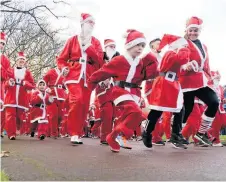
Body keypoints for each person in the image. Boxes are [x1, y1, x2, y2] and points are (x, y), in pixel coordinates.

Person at [88, 29, 158, 152]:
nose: (140, 48)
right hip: (119, 91)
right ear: (130, 45)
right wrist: (90, 84)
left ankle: (113, 136)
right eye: (137, 45)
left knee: (131, 117)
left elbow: (148, 75)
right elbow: (103, 72)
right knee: (135, 111)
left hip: (135, 93)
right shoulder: (119, 60)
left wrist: (153, 61)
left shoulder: (141, 62)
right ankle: (119, 135)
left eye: (142, 46)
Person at [57, 13, 104, 144]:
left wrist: (89, 48)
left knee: (84, 106)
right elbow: (61, 59)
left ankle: (78, 132)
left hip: (88, 76)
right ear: (82, 24)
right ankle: (73, 133)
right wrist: (63, 68)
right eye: (89, 23)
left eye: (93, 24)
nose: (91, 26)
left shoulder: (95, 42)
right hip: (73, 74)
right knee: (76, 100)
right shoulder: (72, 40)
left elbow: (100, 61)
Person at [175, 16, 219, 146]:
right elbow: (176, 60)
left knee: (214, 102)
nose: (193, 33)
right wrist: (184, 66)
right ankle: (176, 135)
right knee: (186, 109)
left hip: (201, 80)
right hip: (186, 80)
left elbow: (207, 64)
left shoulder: (204, 46)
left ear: (199, 31)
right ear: (187, 30)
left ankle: (201, 133)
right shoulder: (182, 43)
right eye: (191, 30)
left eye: (196, 30)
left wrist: (210, 79)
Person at [142, 34, 191, 149]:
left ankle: (175, 135)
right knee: (157, 111)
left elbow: (179, 65)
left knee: (180, 109)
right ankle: (147, 132)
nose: (185, 46)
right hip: (164, 84)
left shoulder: (172, 54)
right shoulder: (170, 53)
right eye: (182, 44)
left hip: (172, 83)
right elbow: (182, 59)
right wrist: (184, 48)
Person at [4, 52, 35, 140]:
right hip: (11, 96)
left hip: (22, 98)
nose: (21, 61)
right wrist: (9, 83)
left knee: (19, 116)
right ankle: (11, 134)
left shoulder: (27, 73)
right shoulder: (10, 70)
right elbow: (4, 83)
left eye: (23, 59)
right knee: (10, 115)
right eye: (20, 59)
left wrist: (26, 83)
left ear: (25, 62)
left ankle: (17, 129)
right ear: (17, 60)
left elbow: (33, 85)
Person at [95, 39, 119, 145]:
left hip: (115, 90)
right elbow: (94, 71)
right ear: (106, 48)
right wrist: (102, 78)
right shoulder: (100, 59)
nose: (113, 48)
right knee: (107, 112)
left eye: (114, 46)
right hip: (103, 89)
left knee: (114, 114)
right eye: (110, 46)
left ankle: (112, 136)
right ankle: (104, 137)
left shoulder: (118, 60)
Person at [43, 56, 66, 138]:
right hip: (52, 94)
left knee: (60, 116)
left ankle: (53, 130)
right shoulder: (51, 71)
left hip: (62, 95)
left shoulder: (66, 73)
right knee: (53, 115)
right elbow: (43, 82)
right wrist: (47, 89)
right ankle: (54, 133)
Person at [207, 71, 226, 147]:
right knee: (216, 125)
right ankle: (216, 141)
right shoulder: (208, 86)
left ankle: (206, 133)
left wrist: (223, 100)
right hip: (212, 108)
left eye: (219, 78)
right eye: (217, 77)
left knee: (224, 123)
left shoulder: (221, 87)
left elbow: (221, 97)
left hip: (220, 108)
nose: (218, 79)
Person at [0, 32, 11, 138]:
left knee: (1, 108)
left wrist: (1, 69)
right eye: (0, 43)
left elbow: (8, 73)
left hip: (1, 85)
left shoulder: (5, 59)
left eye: (3, 44)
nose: (1, 45)